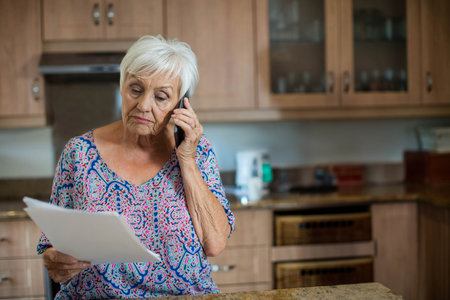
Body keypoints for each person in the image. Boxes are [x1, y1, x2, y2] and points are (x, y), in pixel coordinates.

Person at [37, 35, 235, 298]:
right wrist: (54, 261)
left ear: (181, 104)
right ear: (122, 87)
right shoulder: (78, 154)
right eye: (136, 89)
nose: (143, 106)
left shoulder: (196, 150)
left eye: (161, 96)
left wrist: (186, 160)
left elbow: (214, 244)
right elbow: (52, 245)